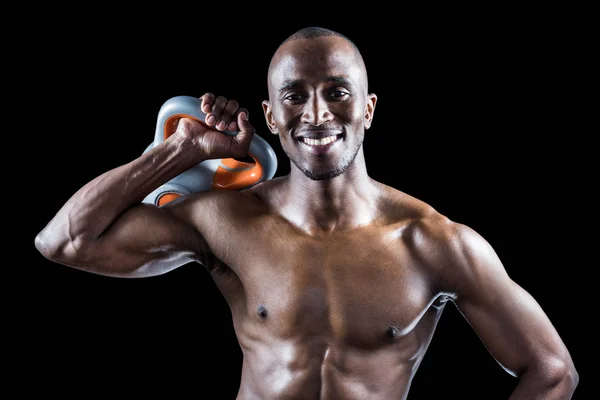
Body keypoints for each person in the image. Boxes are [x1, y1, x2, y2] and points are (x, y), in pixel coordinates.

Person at [34, 26, 578, 399]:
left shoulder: (432, 243)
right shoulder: (227, 222)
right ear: (270, 115)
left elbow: (552, 372)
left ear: (367, 109)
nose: (316, 113)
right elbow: (64, 241)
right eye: (294, 96)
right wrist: (179, 152)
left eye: (337, 92)